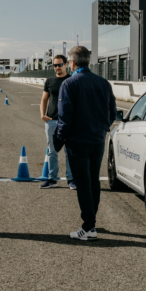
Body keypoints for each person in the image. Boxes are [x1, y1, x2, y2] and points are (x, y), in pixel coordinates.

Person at [55, 46, 116, 241]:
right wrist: (103, 128)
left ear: (71, 63)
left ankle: (88, 227)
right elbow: (112, 112)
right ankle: (92, 222)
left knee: (83, 184)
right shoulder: (104, 83)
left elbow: (64, 117)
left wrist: (58, 140)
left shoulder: (69, 84)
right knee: (93, 181)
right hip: (98, 140)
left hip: (78, 141)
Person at [39, 55, 74, 190]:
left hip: (68, 122)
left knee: (69, 151)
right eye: (55, 65)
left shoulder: (72, 80)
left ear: (66, 64)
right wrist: (42, 114)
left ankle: (71, 179)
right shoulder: (49, 81)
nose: (57, 68)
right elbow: (44, 100)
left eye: (60, 65)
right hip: (52, 121)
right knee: (52, 151)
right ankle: (52, 179)